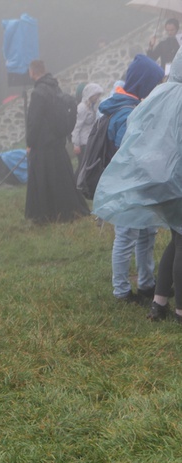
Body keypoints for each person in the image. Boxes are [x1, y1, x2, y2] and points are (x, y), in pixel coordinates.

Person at [92, 49, 182, 322]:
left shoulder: (158, 96)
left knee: (175, 242)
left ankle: (158, 303)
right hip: (177, 183)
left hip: (160, 183)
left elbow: (137, 134)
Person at [97, 54, 164, 303]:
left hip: (139, 182)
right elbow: (131, 151)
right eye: (154, 82)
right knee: (126, 236)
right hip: (129, 183)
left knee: (147, 232)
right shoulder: (126, 112)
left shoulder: (130, 105)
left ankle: (147, 283)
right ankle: (122, 291)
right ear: (144, 82)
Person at [24, 60, 90, 225]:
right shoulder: (55, 88)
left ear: (32, 72)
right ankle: (66, 212)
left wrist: (30, 142)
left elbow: (34, 121)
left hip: (43, 146)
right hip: (57, 145)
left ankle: (44, 215)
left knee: (44, 182)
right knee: (62, 182)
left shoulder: (38, 93)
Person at [71, 83, 104, 170]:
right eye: (96, 95)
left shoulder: (90, 107)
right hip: (83, 143)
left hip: (89, 141)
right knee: (83, 167)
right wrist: (76, 144)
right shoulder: (82, 108)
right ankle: (76, 182)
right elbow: (76, 126)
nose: (97, 97)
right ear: (91, 94)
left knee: (87, 166)